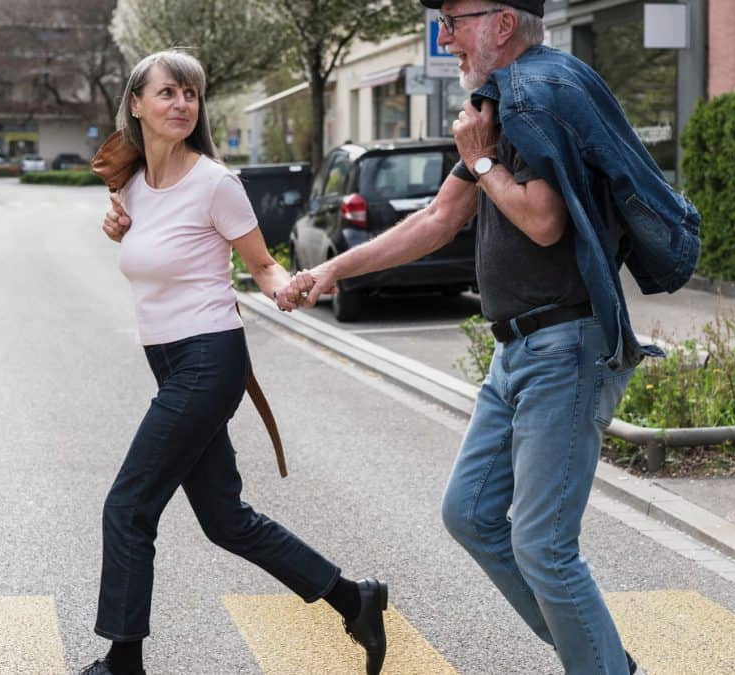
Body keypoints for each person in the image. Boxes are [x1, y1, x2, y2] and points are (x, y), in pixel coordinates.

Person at [279, 1, 698, 672]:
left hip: (565, 347)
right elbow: (440, 219)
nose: (446, 37)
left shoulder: (535, 96)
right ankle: (600, 657)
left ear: (503, 24)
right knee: (470, 512)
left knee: (543, 548)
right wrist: (332, 267)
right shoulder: (503, 104)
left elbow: (541, 220)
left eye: (456, 19)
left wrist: (480, 163)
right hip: (517, 352)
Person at [84, 50, 387, 675]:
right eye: (167, 93)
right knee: (225, 520)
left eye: (191, 94)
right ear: (136, 103)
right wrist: (117, 228)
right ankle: (354, 598)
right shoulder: (134, 185)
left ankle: (122, 662)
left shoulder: (216, 183)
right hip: (169, 362)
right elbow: (140, 242)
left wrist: (285, 287)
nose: (182, 104)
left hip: (209, 359)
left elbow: (262, 264)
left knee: (128, 505)